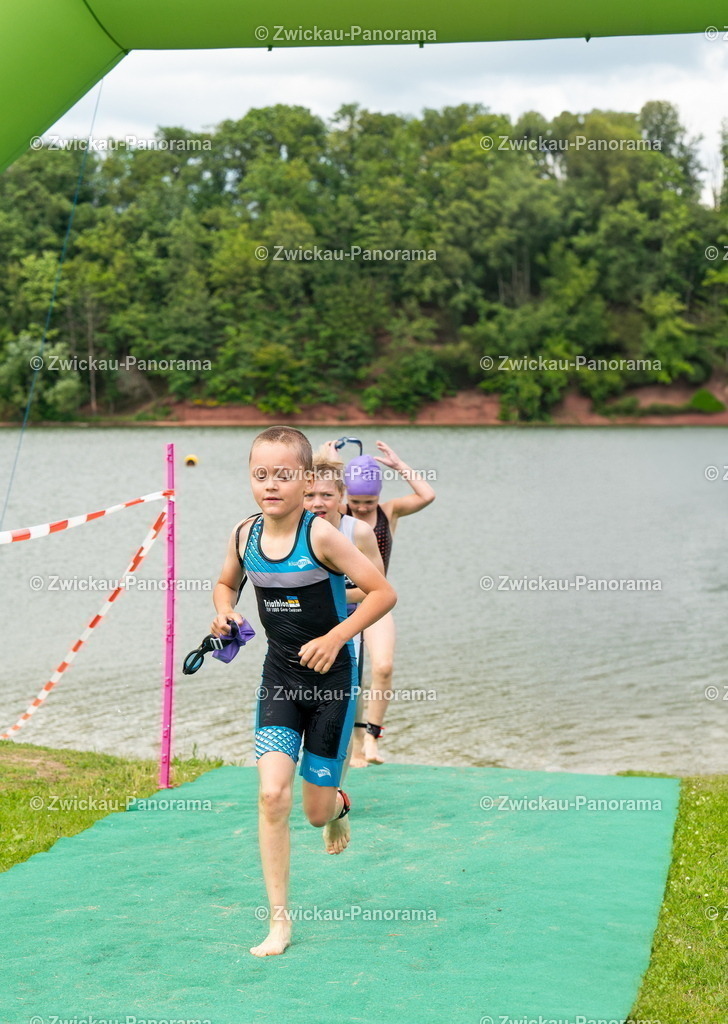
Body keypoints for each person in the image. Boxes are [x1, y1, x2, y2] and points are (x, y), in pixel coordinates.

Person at [211, 426, 396, 958]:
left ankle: (336, 806)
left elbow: (383, 592)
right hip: (280, 680)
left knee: (313, 812)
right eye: (260, 475)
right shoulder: (243, 535)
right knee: (271, 796)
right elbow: (226, 583)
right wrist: (224, 610)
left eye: (284, 475)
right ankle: (278, 922)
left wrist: (337, 636)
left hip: (333, 687)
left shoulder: (323, 537)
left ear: (305, 480)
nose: (271, 485)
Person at [339, 440, 435, 765]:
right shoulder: (335, 515)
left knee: (382, 667)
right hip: (341, 604)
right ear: (345, 496)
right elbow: (311, 495)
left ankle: (372, 739)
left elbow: (427, 495)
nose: (363, 507)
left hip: (375, 601)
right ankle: (351, 741)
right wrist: (330, 463)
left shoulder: (389, 512)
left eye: (369, 500)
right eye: (356, 501)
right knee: (348, 676)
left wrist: (400, 465)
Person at [303, 451, 385, 769]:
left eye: (326, 494)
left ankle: (336, 790)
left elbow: (376, 588)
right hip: (303, 630)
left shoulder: (358, 532)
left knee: (340, 711)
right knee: (302, 707)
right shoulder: (296, 530)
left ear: (342, 497)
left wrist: (331, 597)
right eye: (309, 495)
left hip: (349, 630)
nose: (317, 502)